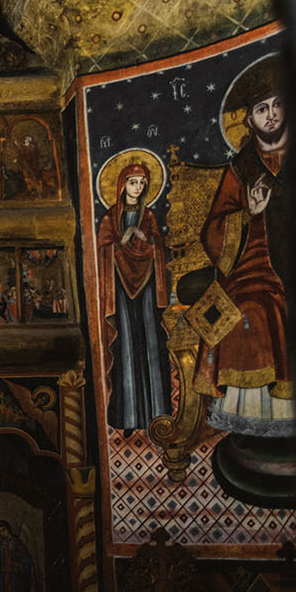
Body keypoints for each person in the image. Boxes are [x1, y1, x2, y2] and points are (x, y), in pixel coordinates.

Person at [195, 59, 292, 433]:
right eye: (261, 109)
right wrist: (248, 214)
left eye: (277, 105)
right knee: (251, 307)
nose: (271, 115)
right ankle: (262, 419)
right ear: (249, 120)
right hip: (253, 263)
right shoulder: (240, 169)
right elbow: (213, 229)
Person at [97, 159, 173, 430]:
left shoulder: (150, 216)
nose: (138, 187)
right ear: (121, 185)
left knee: (151, 344)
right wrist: (122, 241)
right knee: (127, 347)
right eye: (133, 182)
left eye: (142, 183)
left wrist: (144, 238)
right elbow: (103, 250)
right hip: (121, 289)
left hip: (147, 289)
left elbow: (158, 247)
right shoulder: (109, 218)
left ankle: (157, 413)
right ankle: (128, 417)